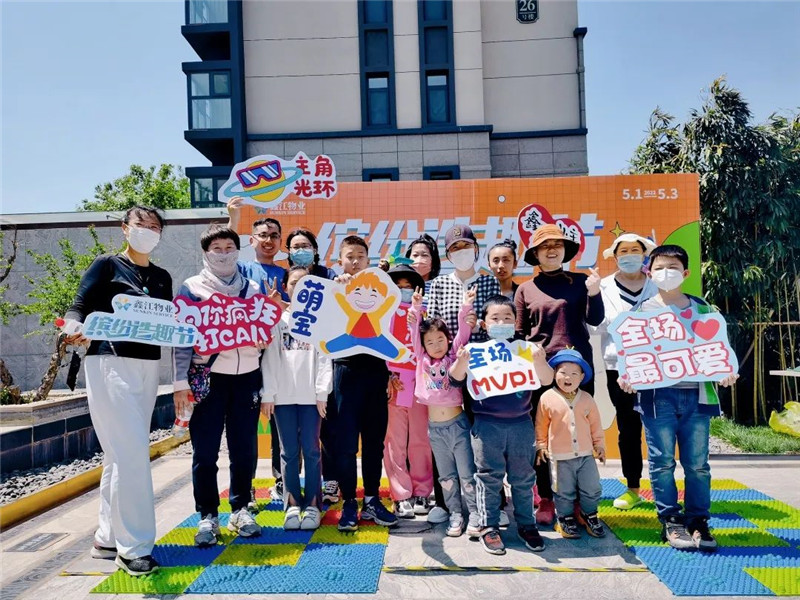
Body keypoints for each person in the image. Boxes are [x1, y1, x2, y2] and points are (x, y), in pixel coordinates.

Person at [63, 206, 171, 577]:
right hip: (109, 361)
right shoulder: (107, 265)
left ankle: (107, 538)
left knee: (119, 454)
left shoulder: (162, 277)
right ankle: (134, 548)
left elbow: (167, 321)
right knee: (133, 452)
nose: (148, 231)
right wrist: (72, 327)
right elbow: (78, 305)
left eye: (155, 227)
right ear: (125, 228)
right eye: (142, 225)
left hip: (147, 367)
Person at [620, 244, 738, 552]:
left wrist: (726, 370)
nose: (666, 273)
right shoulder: (640, 313)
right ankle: (670, 520)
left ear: (685, 273)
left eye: (672, 267)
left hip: (696, 396)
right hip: (657, 398)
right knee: (661, 461)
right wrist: (627, 375)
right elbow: (631, 355)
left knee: (697, 464)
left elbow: (719, 346)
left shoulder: (702, 309)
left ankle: (698, 520)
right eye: (659, 268)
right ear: (649, 273)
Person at [173, 225, 264, 547]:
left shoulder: (253, 288)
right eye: (217, 249)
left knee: (244, 448)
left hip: (247, 376)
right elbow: (181, 337)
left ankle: (240, 508)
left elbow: (264, 329)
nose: (224, 254)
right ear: (205, 253)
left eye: (229, 248)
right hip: (208, 378)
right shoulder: (191, 288)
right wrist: (180, 381)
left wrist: (262, 339)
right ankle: (208, 514)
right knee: (205, 450)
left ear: (238, 251)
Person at [514, 223, 604, 525]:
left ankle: (578, 500)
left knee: (578, 434)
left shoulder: (581, 282)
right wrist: (530, 357)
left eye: (557, 244)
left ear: (565, 250)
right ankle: (547, 498)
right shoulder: (525, 289)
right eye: (544, 246)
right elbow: (519, 334)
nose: (551, 250)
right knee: (542, 435)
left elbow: (595, 319)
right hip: (541, 372)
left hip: (577, 369)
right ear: (535, 254)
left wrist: (595, 292)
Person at [450, 295, 553, 555]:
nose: (501, 322)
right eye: (495, 318)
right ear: (484, 324)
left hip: (521, 424)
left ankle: (527, 525)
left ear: (515, 322)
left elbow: (546, 379)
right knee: (488, 477)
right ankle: (489, 526)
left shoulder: (525, 349)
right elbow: (454, 378)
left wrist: (540, 361)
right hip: (486, 426)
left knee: (523, 477)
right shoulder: (474, 350)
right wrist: (461, 362)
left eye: (507, 318)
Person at [426, 224, 501, 524]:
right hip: (447, 372)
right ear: (447, 255)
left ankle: (491, 501)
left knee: (483, 435)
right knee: (443, 437)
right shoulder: (438, 285)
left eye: (466, 246)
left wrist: (480, 325)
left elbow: (499, 322)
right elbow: (431, 328)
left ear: (476, 249)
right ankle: (445, 503)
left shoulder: (489, 283)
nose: (462, 252)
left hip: (482, 370)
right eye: (455, 248)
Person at [329, 235, 398, 531]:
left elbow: (394, 332)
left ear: (368, 260)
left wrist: (392, 372)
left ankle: (371, 499)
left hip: (376, 372)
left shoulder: (382, 290)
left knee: (373, 443)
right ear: (340, 261)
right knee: (345, 443)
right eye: (350, 256)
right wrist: (338, 288)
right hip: (344, 372)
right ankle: (348, 502)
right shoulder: (333, 289)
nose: (355, 261)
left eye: (360, 256)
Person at [227, 197, 288, 507]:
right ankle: (246, 486)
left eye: (274, 235)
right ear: (251, 240)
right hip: (246, 356)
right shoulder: (240, 268)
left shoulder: (285, 274)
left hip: (278, 356)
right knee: (247, 425)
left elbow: (295, 312)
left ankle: (281, 480)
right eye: (262, 235)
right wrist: (233, 219)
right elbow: (223, 254)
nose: (268, 240)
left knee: (278, 420)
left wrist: (280, 304)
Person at [261, 266, 332, 530]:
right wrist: (268, 393)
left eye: (304, 282)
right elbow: (269, 358)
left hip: (311, 397)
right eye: (293, 282)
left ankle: (313, 504)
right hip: (283, 397)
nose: (299, 287)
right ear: (285, 287)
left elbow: (325, 357)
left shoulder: (319, 318)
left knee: (312, 451)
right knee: (288, 452)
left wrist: (322, 392)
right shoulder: (277, 319)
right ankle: (291, 503)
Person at [408, 285, 480, 539]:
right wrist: (416, 307)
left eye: (440, 339)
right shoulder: (421, 359)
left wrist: (466, 305)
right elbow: (414, 333)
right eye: (430, 342)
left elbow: (463, 332)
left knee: (467, 474)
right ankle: (455, 513)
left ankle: (475, 513)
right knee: (447, 476)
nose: (436, 345)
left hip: (458, 425)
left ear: (447, 339)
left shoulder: (452, 355)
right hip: (435, 430)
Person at [594, 233, 657, 511]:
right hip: (617, 368)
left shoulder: (657, 285)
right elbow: (594, 326)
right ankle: (633, 487)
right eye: (624, 251)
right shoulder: (603, 286)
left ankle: (663, 487)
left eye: (635, 250)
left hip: (657, 367)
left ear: (644, 254)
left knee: (660, 426)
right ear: (615, 256)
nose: (630, 255)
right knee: (628, 428)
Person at [536, 349, 606, 539]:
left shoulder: (587, 399)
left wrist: (599, 445)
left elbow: (595, 424)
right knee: (562, 490)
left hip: (585, 454)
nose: (568, 377)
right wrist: (541, 445)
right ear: (554, 374)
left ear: (582, 377)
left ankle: (589, 514)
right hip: (559, 457)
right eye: (563, 372)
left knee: (592, 487)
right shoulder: (547, 398)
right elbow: (541, 425)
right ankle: (564, 517)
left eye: (574, 373)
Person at [383, 265, 433, 518]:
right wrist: (385, 376)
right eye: (398, 286)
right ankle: (401, 494)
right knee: (395, 442)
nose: (403, 290)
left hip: (420, 382)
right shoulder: (381, 312)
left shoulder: (425, 311)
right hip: (394, 382)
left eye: (408, 286)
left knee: (420, 440)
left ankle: (422, 491)